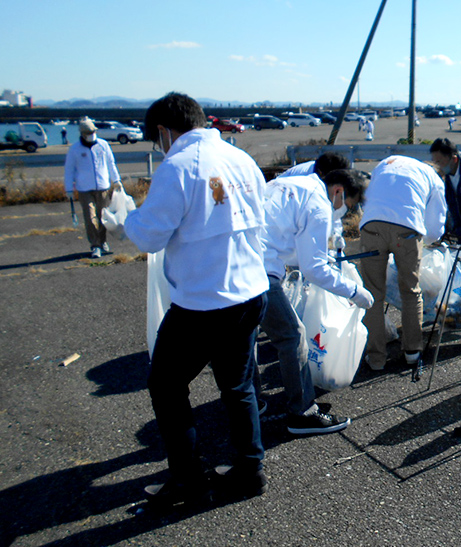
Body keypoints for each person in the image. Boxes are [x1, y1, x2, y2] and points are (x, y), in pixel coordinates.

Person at [124, 92, 270, 505]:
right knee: (237, 385)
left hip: (206, 300)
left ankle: (188, 480)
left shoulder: (178, 165)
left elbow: (149, 234)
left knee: (166, 386)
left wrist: (127, 218)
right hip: (251, 289)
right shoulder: (239, 158)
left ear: (165, 131)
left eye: (158, 139)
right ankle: (249, 468)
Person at [255, 168, 373, 435]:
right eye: (349, 205)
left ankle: (252, 401)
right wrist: (354, 291)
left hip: (235, 262)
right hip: (259, 272)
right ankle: (302, 413)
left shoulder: (289, 183)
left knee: (249, 334)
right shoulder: (318, 201)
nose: (344, 212)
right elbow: (314, 270)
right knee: (292, 336)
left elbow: (289, 242)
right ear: (339, 191)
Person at [359, 156, 447, 379]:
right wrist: (428, 240)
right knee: (410, 290)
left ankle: (376, 358)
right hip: (406, 230)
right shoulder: (433, 178)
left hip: (371, 226)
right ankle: (412, 353)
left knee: (372, 294)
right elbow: (436, 224)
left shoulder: (386, 162)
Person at [64, 119, 121, 258]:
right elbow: (69, 169)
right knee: (90, 217)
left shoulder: (103, 145)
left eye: (93, 131)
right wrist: (69, 189)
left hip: (103, 187)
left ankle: (103, 242)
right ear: (82, 134)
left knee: (103, 216)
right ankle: (95, 245)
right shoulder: (75, 149)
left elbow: (110, 163)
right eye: (89, 132)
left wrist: (117, 180)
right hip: (84, 188)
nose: (92, 134)